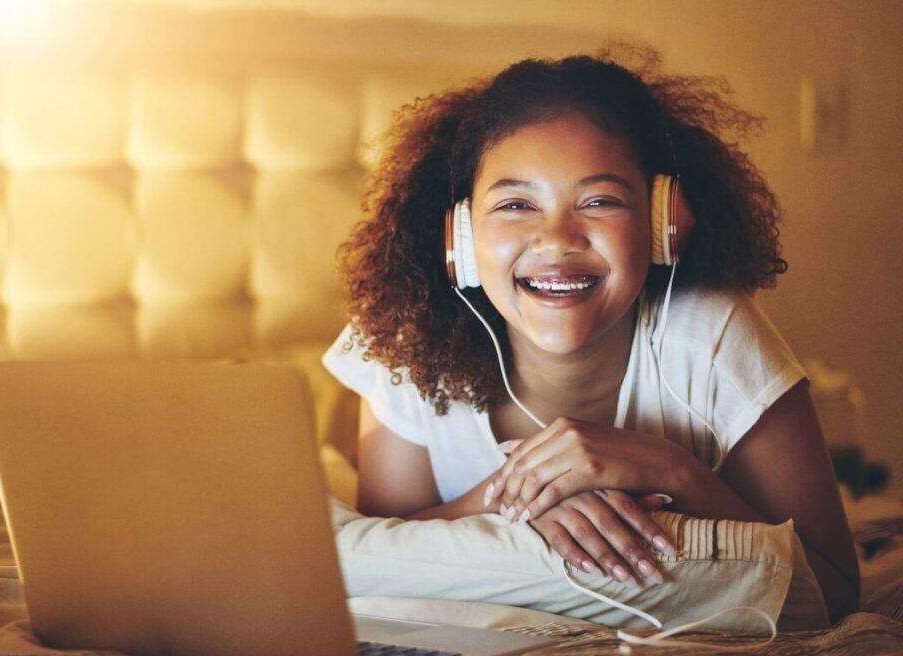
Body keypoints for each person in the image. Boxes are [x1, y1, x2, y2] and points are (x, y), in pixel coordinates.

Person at [322, 48, 858, 624]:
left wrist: (671, 470)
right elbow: (383, 560)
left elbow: (833, 588)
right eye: (516, 204)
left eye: (599, 200)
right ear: (461, 237)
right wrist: (516, 502)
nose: (556, 239)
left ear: (662, 225)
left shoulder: (714, 336)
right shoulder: (408, 344)